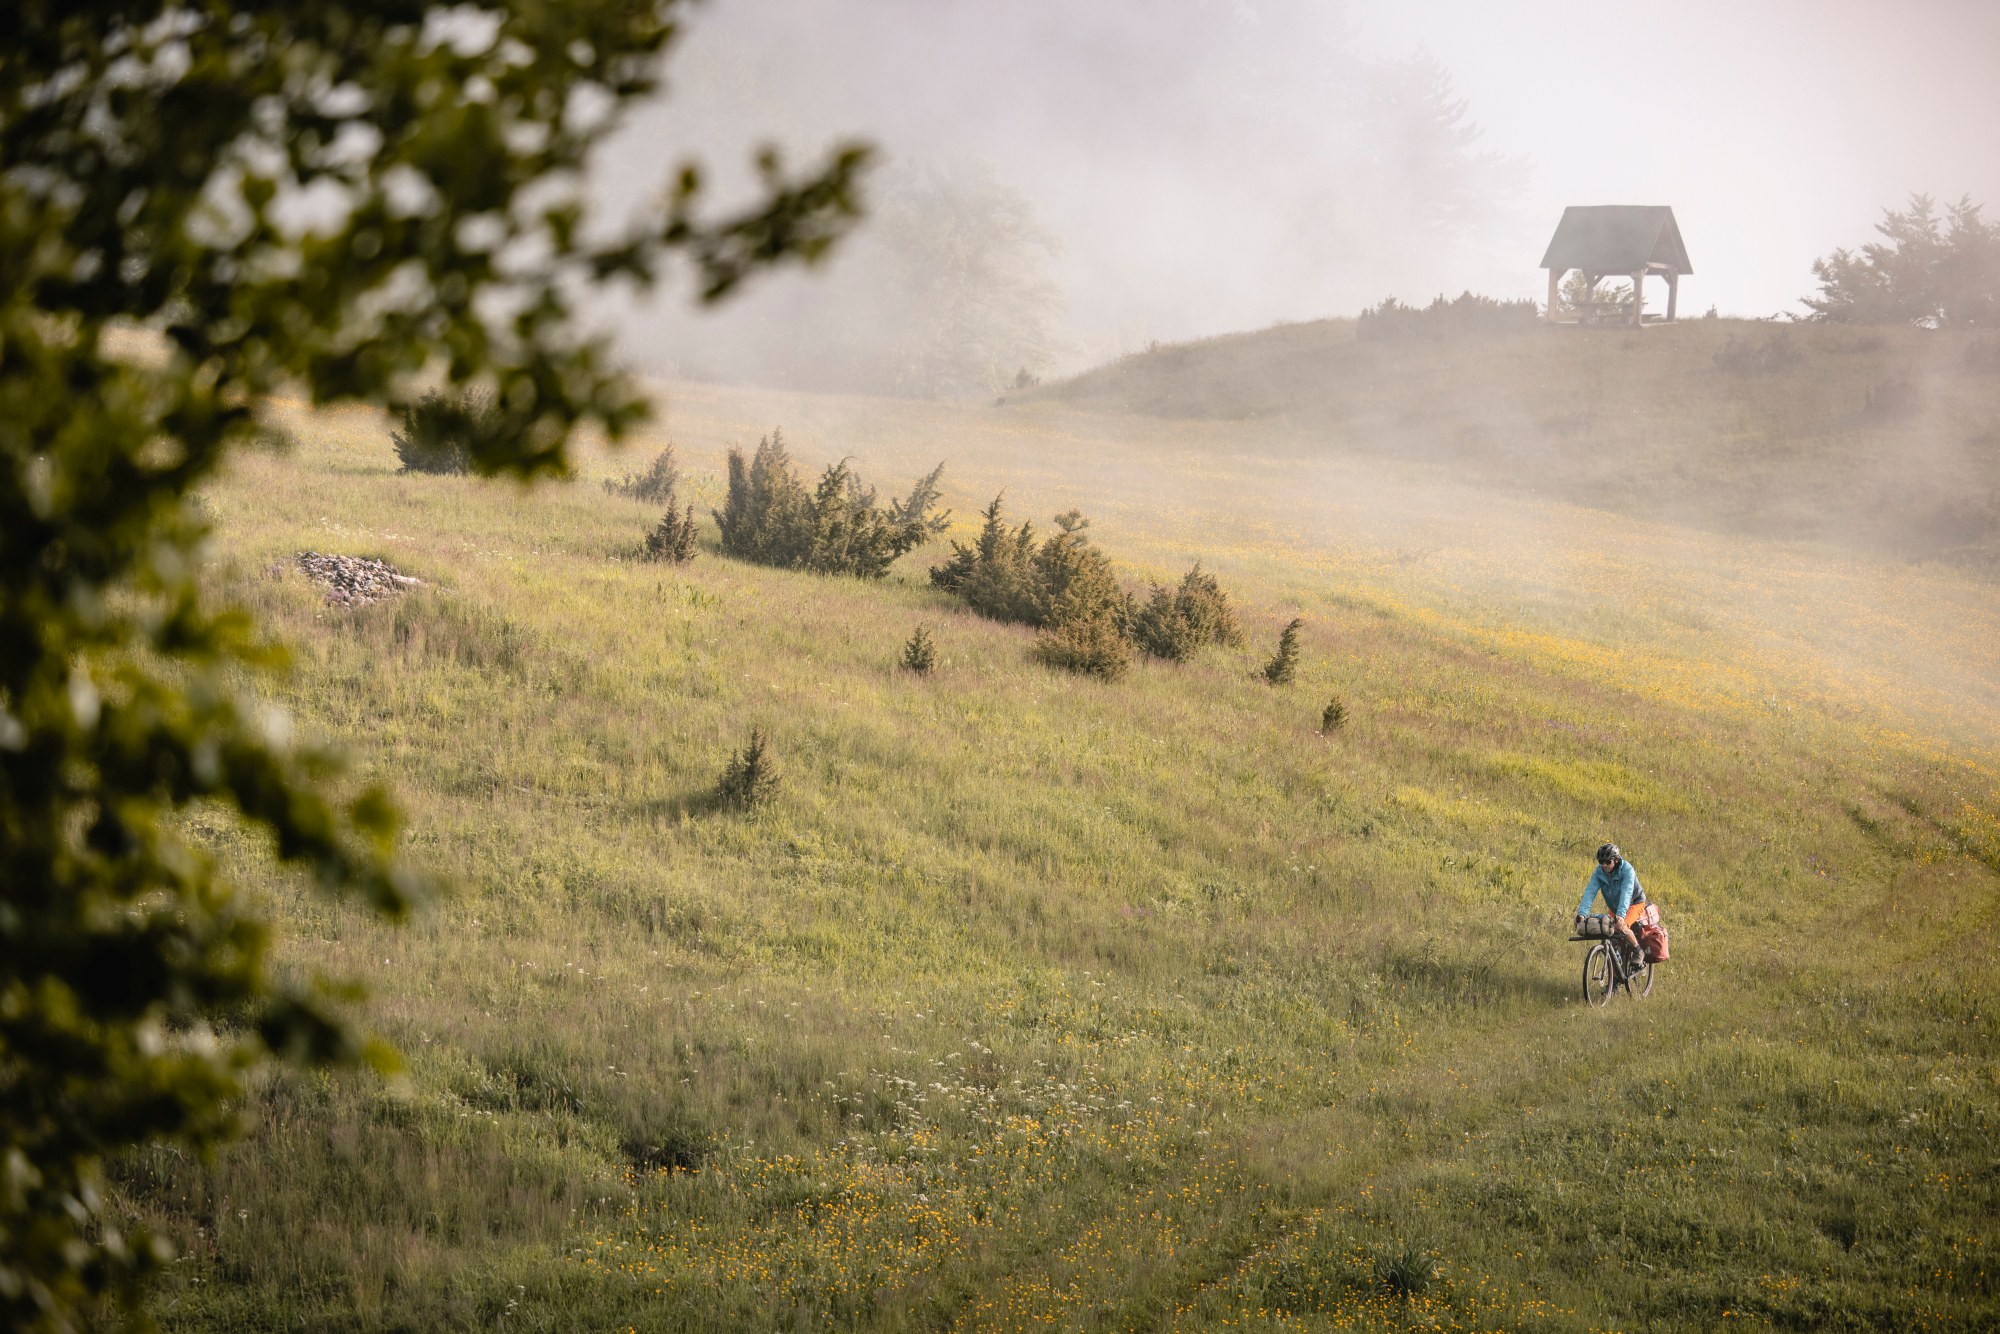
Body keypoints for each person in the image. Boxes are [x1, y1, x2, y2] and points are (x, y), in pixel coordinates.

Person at [1575, 843, 1648, 964]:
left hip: (1634, 903)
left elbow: (1626, 893)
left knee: (1622, 927)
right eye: (1601, 862)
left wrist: (1621, 916)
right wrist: (1582, 914)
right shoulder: (1599, 872)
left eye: (1608, 862)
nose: (1604, 865)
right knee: (1609, 932)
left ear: (1616, 859)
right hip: (1614, 906)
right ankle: (1616, 968)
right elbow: (1590, 892)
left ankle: (1638, 950)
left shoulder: (1627, 870)